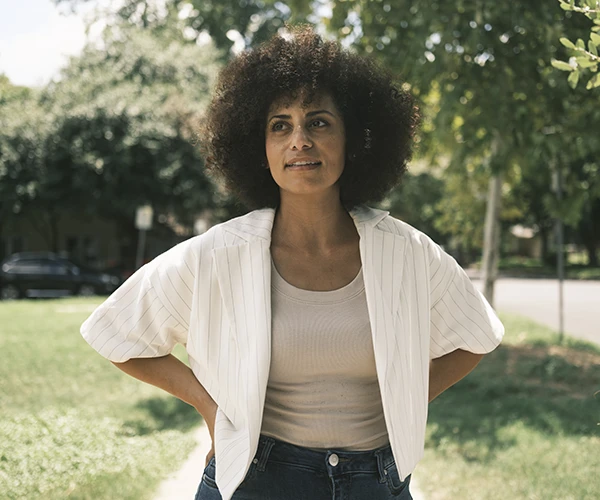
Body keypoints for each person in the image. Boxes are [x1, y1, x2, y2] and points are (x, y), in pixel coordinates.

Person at [80, 25, 504, 500]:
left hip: (376, 484)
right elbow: (116, 334)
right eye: (280, 125)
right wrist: (210, 408)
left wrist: (404, 399)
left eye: (318, 122)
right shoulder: (218, 254)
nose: (299, 140)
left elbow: (477, 335)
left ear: (354, 140)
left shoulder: (405, 251)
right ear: (258, 148)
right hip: (255, 480)